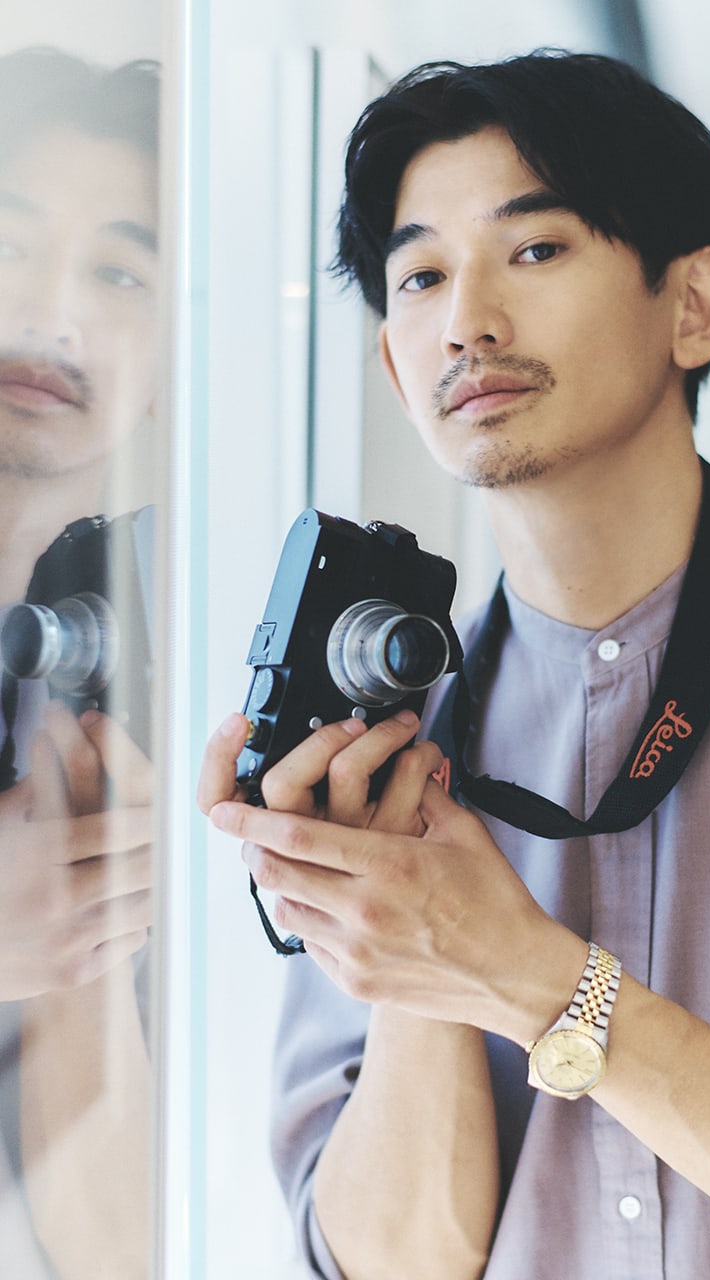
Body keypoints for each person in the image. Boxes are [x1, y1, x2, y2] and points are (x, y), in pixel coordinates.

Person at [199, 51, 710, 1280]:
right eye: (422, 276)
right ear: (397, 372)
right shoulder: (382, 735)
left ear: (696, 305)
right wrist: (411, 931)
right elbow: (391, 1264)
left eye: (535, 250)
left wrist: (538, 978)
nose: (468, 320)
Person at [0, 47, 159, 1280]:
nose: (53, 309)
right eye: (10, 238)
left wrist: (75, 947)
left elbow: (122, 1253)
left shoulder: (188, 681)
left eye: (115, 270)